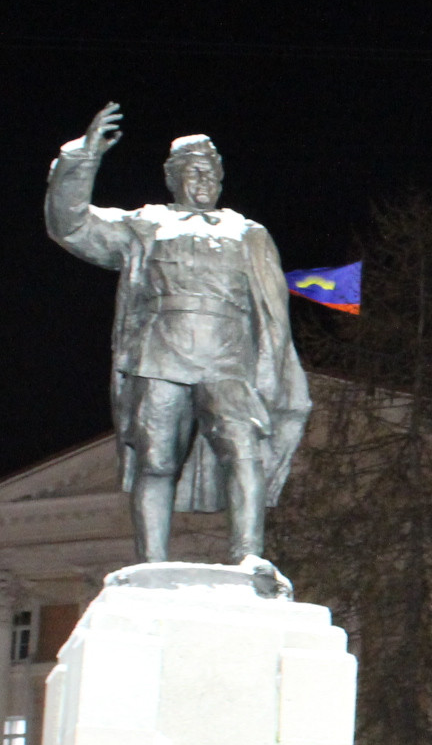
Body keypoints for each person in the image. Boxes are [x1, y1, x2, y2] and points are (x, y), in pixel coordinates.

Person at [45, 103, 311, 568]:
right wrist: (81, 159)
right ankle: (152, 565)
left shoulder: (247, 233)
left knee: (244, 448)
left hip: (228, 360)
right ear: (173, 178)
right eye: (192, 170)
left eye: (210, 172)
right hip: (160, 355)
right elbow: (71, 225)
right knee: (157, 459)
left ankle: (248, 556)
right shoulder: (145, 225)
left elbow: (270, 313)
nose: (203, 180)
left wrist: (274, 374)